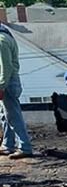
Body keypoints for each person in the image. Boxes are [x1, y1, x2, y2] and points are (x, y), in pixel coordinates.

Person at [0, 23, 33, 159]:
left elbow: (6, 67)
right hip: (8, 81)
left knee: (13, 115)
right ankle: (8, 145)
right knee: (5, 115)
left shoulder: (1, 41)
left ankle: (25, 147)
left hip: (7, 82)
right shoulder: (6, 37)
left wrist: (1, 86)